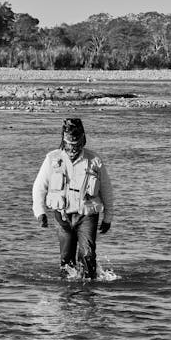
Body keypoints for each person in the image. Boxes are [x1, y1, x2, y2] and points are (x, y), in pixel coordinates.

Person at [32, 117, 113, 280]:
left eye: (76, 144)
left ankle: (88, 295)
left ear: (83, 140)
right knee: (66, 262)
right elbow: (39, 187)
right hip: (62, 217)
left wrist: (108, 217)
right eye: (70, 144)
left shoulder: (94, 160)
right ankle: (67, 297)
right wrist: (40, 213)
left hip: (87, 216)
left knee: (88, 257)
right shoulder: (52, 159)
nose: (73, 148)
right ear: (64, 140)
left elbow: (106, 190)